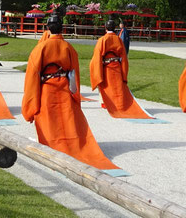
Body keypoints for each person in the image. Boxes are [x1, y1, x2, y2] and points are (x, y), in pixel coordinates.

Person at [23, 15, 121, 172]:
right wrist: (75, 95)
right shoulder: (68, 48)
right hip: (64, 86)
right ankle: (72, 145)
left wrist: (29, 108)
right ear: (62, 27)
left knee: (51, 119)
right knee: (67, 118)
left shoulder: (40, 48)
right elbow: (74, 73)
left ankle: (54, 144)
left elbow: (32, 78)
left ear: (48, 28)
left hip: (47, 88)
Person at [90, 20, 155, 119]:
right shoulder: (118, 40)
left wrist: (97, 69)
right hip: (116, 66)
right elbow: (123, 56)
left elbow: (97, 57)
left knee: (105, 85)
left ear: (105, 28)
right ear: (115, 28)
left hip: (106, 66)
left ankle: (105, 103)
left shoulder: (102, 40)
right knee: (117, 86)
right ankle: (118, 104)